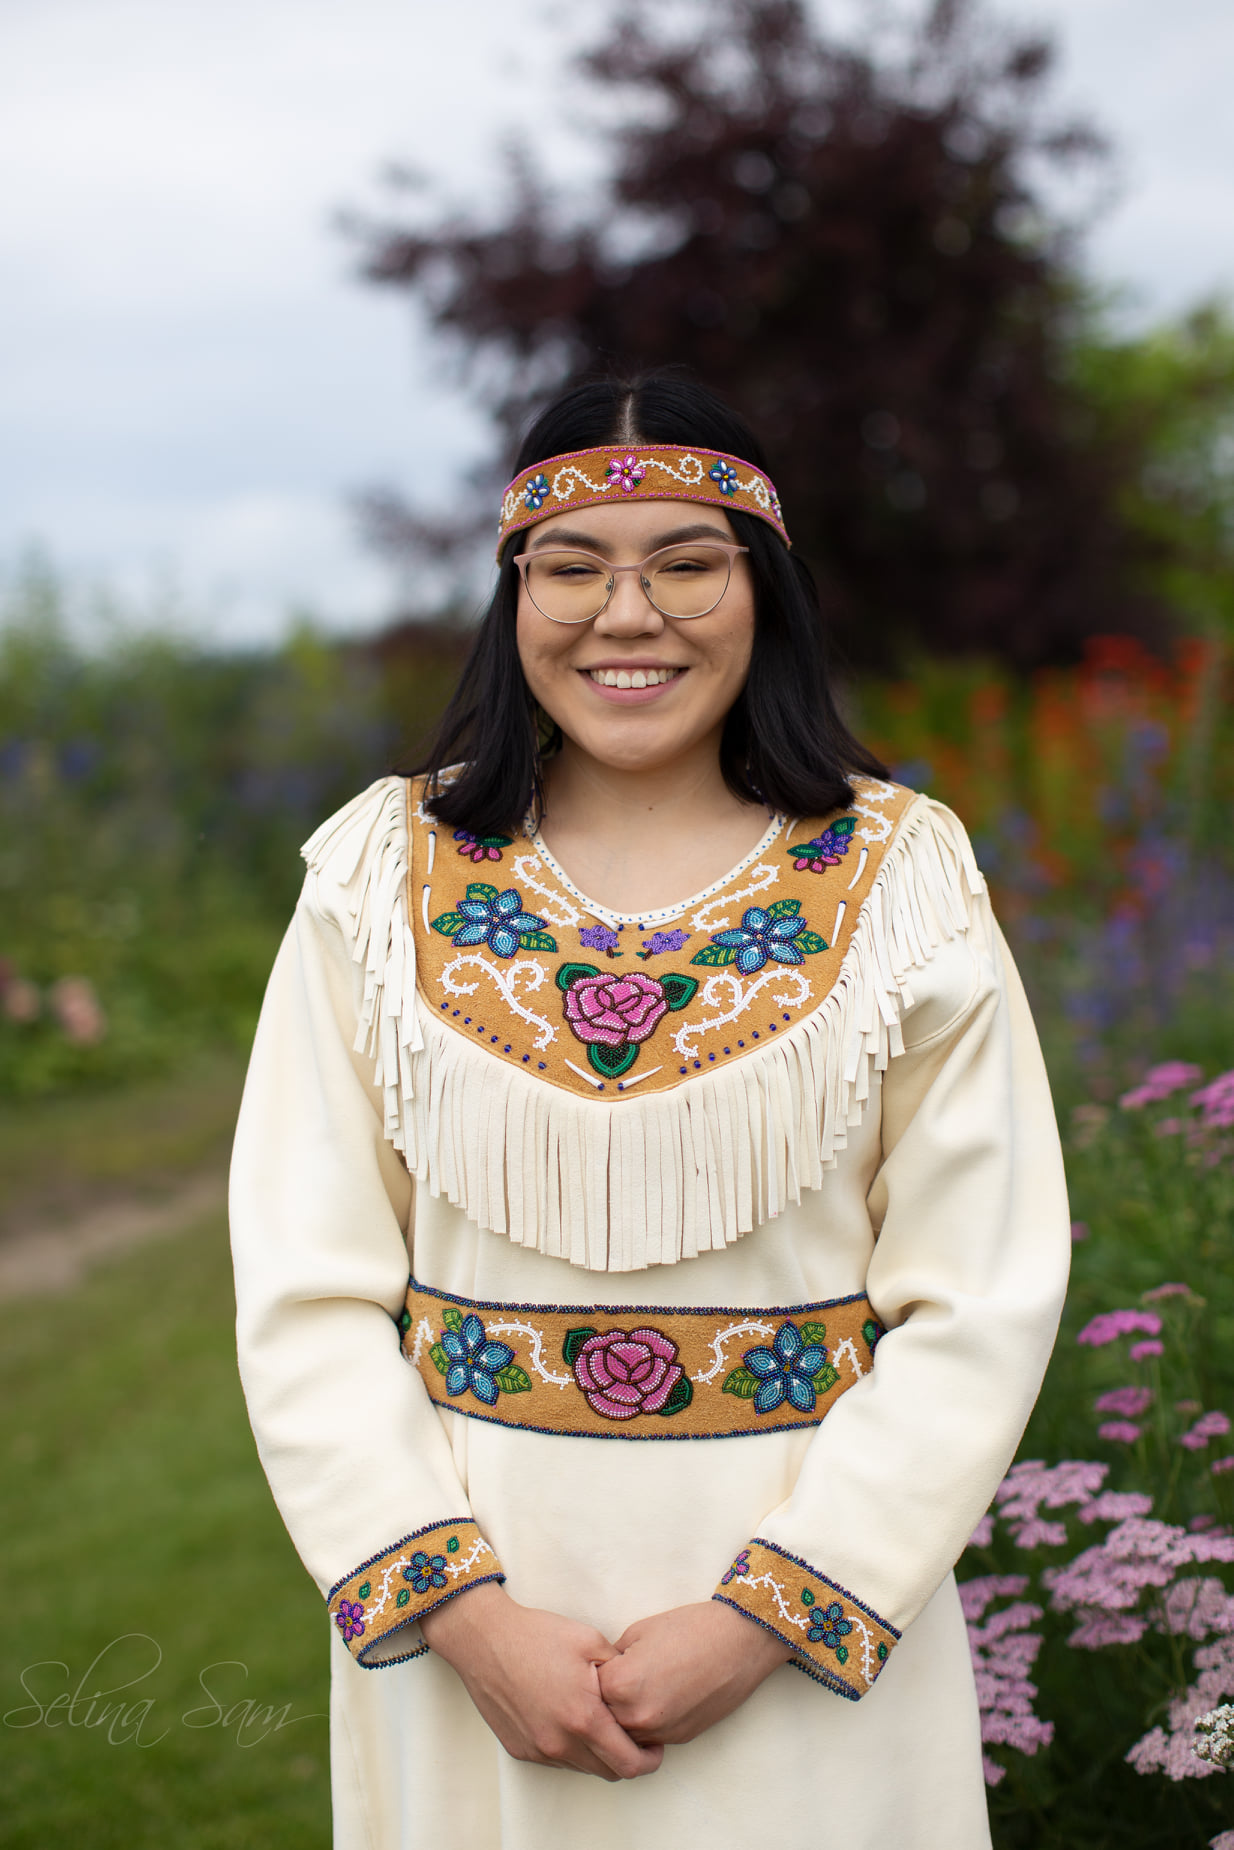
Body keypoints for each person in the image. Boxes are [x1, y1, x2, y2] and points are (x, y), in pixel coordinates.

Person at [229, 371, 1071, 1849]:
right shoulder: (378, 877)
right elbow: (304, 1284)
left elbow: (980, 1293)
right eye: (573, 568)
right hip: (477, 1640)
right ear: (514, 597)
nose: (628, 615)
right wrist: (463, 1610)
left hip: (808, 1637)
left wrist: (766, 1613)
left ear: (766, 592)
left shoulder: (902, 879)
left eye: (687, 563)